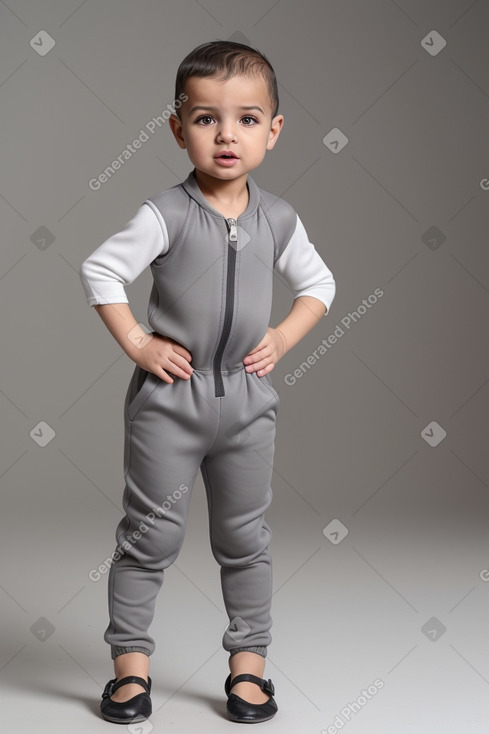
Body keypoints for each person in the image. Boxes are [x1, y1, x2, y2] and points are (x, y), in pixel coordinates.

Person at [79, 39, 336, 725]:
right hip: (170, 406)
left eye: (248, 119)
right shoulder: (164, 213)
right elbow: (101, 271)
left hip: (247, 406)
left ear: (273, 131)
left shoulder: (277, 219)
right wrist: (137, 341)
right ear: (176, 127)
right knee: (149, 538)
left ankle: (247, 668)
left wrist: (281, 337)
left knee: (245, 538)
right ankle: (130, 668)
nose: (226, 134)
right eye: (204, 119)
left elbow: (319, 284)